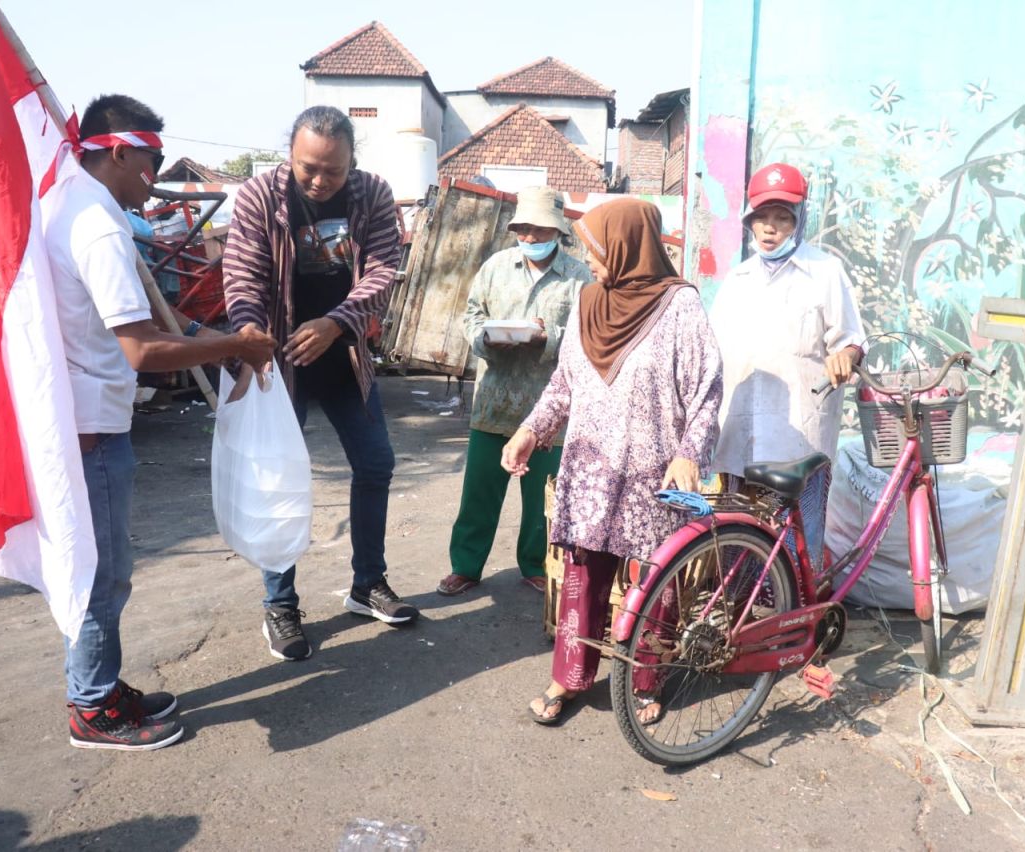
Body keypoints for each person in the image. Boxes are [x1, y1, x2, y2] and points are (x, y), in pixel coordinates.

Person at [42, 94, 276, 750]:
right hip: (91, 432)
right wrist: (235, 347)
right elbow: (143, 350)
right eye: (153, 161)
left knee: (100, 570)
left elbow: (158, 324)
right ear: (119, 152)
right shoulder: (97, 225)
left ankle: (100, 683)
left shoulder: (73, 206)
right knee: (100, 576)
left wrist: (221, 335)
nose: (157, 176)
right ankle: (92, 707)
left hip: (82, 420)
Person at [500, 198, 723, 725]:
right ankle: (570, 677)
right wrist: (531, 430)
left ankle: (647, 680)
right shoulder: (586, 301)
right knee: (581, 575)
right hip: (591, 466)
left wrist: (690, 455)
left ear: (629, 244)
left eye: (599, 245)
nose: (590, 256)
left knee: (655, 582)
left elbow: (706, 391)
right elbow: (563, 384)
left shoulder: (680, 306)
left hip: (654, 471)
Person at [223, 105, 417, 663]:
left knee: (376, 464)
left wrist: (336, 323)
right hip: (280, 360)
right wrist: (249, 333)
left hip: (344, 356)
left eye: (332, 170)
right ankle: (279, 604)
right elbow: (241, 274)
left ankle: (367, 584)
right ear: (291, 152)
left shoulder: (372, 194)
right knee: (279, 477)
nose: (319, 179)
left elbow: (384, 273)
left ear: (352, 160)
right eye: (309, 167)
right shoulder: (261, 196)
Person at [438, 187, 591, 597]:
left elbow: (587, 335)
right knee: (479, 494)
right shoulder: (495, 267)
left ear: (558, 232)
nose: (530, 239)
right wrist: (487, 340)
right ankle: (465, 566)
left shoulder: (579, 277)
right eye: (523, 230)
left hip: (549, 409)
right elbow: (472, 316)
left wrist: (549, 339)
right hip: (494, 400)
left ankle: (537, 564)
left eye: (539, 231)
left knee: (544, 501)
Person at [709, 163, 866, 482]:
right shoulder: (737, 281)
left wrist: (846, 357)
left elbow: (853, 341)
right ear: (749, 221)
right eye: (762, 218)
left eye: (782, 218)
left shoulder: (825, 272)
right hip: (738, 436)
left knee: (797, 530)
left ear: (799, 220)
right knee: (737, 528)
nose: (770, 228)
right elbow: (710, 355)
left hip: (798, 444)